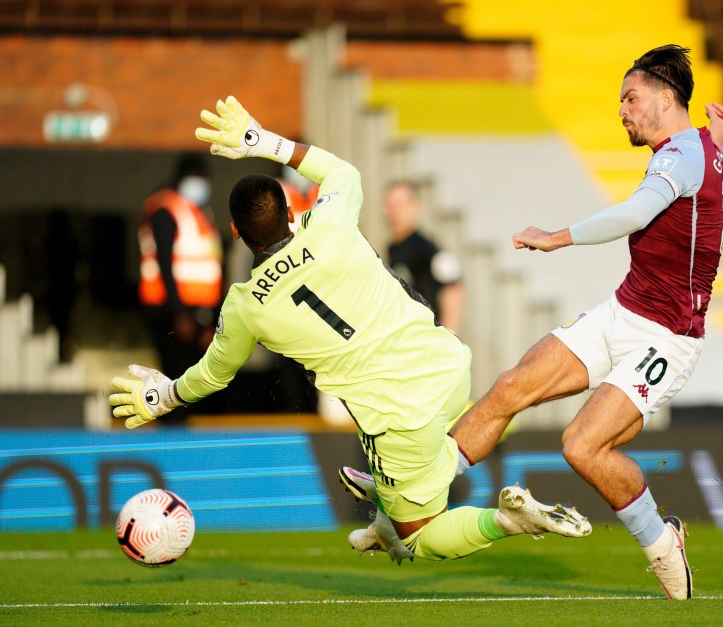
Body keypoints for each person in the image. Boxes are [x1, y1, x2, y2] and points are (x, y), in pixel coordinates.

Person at [109, 95, 591, 563]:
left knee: (417, 540)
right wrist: (262, 140)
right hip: (446, 365)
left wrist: (165, 395)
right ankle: (386, 494)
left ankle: (510, 521)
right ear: (293, 212)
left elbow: (212, 375)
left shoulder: (245, 306)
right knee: (436, 456)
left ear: (235, 232)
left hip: (397, 415)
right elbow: (343, 173)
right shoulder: (330, 225)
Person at [342, 45, 723, 599]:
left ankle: (661, 542)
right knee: (511, 387)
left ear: (666, 97)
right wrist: (720, 145)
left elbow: (634, 213)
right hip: (622, 311)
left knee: (582, 446)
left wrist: (556, 236)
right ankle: (414, 485)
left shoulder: (680, 157)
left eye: (631, 98)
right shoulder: (704, 153)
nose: (623, 110)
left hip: (669, 337)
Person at [138, 152, 224, 422]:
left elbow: (212, 266)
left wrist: (212, 317)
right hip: (171, 311)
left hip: (198, 312)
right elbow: (164, 263)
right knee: (174, 381)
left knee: (195, 385)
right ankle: (173, 441)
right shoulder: (165, 208)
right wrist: (180, 313)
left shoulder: (199, 213)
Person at [384, 180, 464, 334]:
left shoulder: (425, 249)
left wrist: (449, 335)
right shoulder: (393, 248)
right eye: (390, 205)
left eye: (400, 205)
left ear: (415, 206)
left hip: (426, 337)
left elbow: (454, 289)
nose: (394, 211)